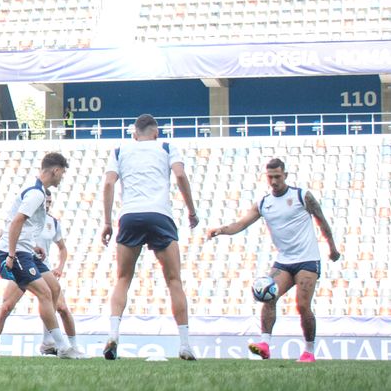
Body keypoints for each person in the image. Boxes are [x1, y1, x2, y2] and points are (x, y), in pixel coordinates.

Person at [206, 158, 341, 363]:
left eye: (278, 176)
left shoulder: (301, 196)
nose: (274, 181)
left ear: (285, 175)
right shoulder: (264, 203)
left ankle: (309, 351)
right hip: (284, 261)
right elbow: (241, 224)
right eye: (270, 177)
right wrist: (220, 230)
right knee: (268, 295)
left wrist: (332, 249)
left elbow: (321, 220)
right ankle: (265, 344)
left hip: (307, 259)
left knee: (302, 305)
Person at [101, 113, 199, 361]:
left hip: (130, 215)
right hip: (160, 215)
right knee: (174, 280)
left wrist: (107, 222)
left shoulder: (120, 150)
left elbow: (109, 184)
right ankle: (184, 344)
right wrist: (191, 211)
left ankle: (113, 334)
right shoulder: (166, 147)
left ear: (134, 135)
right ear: (156, 133)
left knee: (123, 278)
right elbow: (180, 176)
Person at [0, 153, 82, 359]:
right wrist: (11, 255)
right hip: (16, 252)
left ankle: (49, 342)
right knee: (43, 294)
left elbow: (24, 226)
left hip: (27, 251)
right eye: (62, 173)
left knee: (54, 288)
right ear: (55, 170)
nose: (62, 178)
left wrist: (33, 246)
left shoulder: (37, 191)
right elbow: (16, 222)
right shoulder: (36, 194)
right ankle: (62, 347)